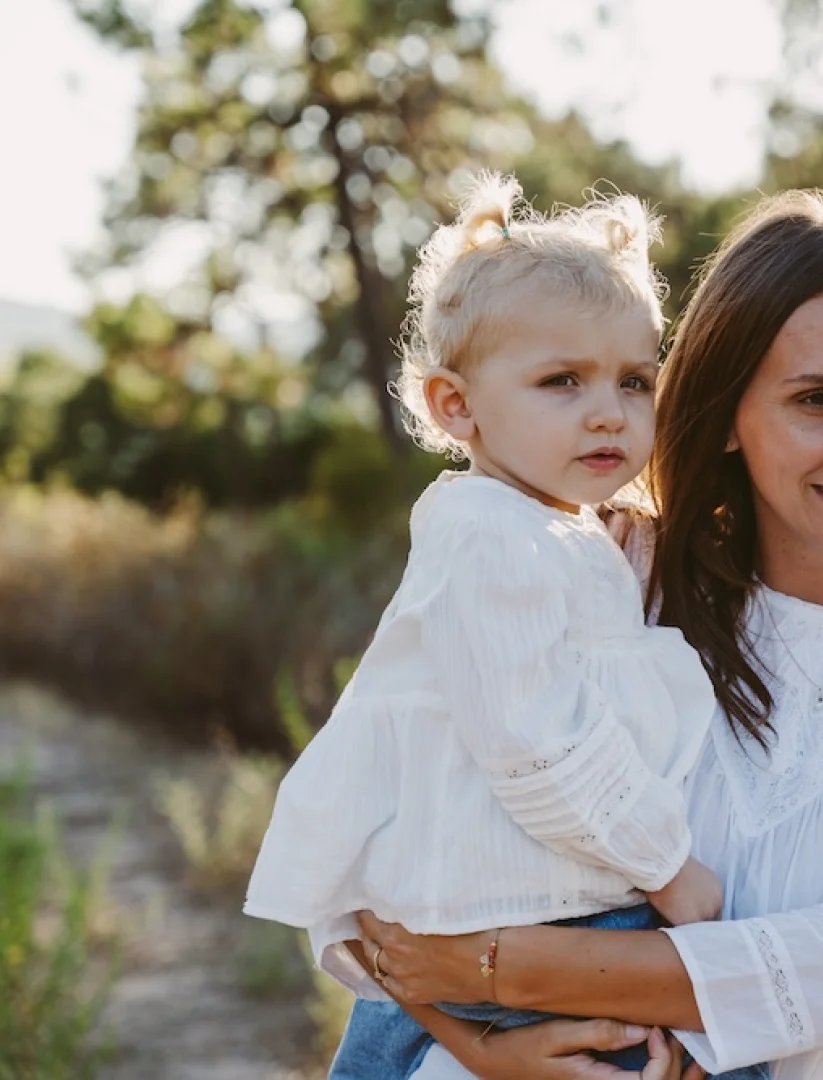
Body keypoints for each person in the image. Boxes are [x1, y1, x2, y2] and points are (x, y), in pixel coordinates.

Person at [346, 189, 823, 1080]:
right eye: (818, 399)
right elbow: (408, 830)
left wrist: (487, 969)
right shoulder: (611, 580)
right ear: (728, 413)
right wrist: (482, 1044)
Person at [243, 173, 768, 1080]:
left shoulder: (547, 530)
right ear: (456, 406)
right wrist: (671, 868)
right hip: (536, 924)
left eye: (634, 380)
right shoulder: (487, 538)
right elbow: (540, 746)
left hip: (522, 919)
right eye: (561, 380)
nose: (608, 410)